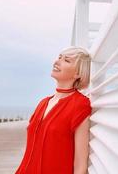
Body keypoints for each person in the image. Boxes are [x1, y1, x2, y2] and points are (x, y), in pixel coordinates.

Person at [15, 46, 92, 174]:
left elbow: (80, 163)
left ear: (78, 73)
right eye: (59, 57)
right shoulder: (43, 103)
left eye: (66, 60)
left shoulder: (80, 104)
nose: (56, 62)